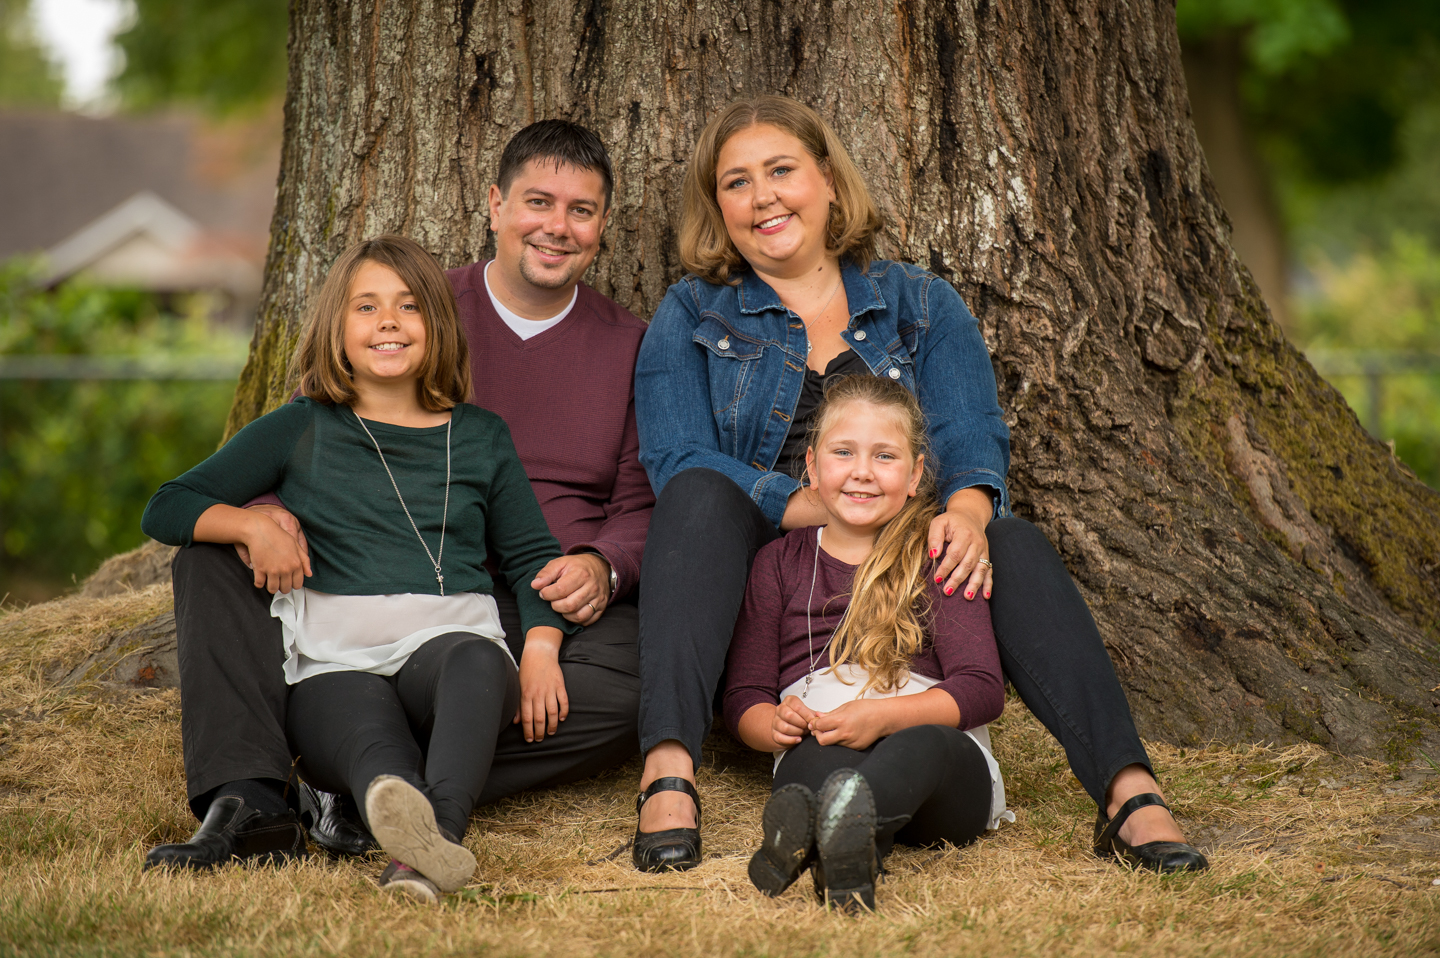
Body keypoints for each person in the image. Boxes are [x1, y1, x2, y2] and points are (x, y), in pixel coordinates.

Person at [630, 95, 1207, 875]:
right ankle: (668, 774)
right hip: (760, 566)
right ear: (718, 206)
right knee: (696, 493)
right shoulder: (692, 310)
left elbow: (971, 434)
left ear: (828, 180)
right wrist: (802, 506)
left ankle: (1130, 793)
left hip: (903, 552)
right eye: (736, 182)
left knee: (1013, 539)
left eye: (781, 171)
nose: (761, 196)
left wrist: (968, 509)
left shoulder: (919, 303)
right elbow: (675, 456)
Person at [144, 120, 651, 873]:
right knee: (210, 561)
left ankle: (364, 789)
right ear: (494, 205)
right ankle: (249, 795)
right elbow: (323, 438)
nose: (556, 226)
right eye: (537, 202)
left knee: (636, 683)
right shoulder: (418, 300)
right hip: (353, 595)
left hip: (505, 599)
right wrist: (256, 518)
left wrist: (600, 568)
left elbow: (638, 502)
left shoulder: (628, 345)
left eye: (581, 209)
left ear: (604, 225)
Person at [726, 375, 1008, 911]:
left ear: (915, 473)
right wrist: (773, 724)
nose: (861, 472)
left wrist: (880, 718)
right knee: (810, 767)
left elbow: (981, 689)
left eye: (884, 456)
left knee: (919, 746)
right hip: (825, 741)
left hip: (938, 772)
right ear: (810, 467)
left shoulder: (938, 551)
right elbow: (745, 693)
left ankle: (833, 833)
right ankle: (850, 852)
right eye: (843, 452)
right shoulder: (778, 563)